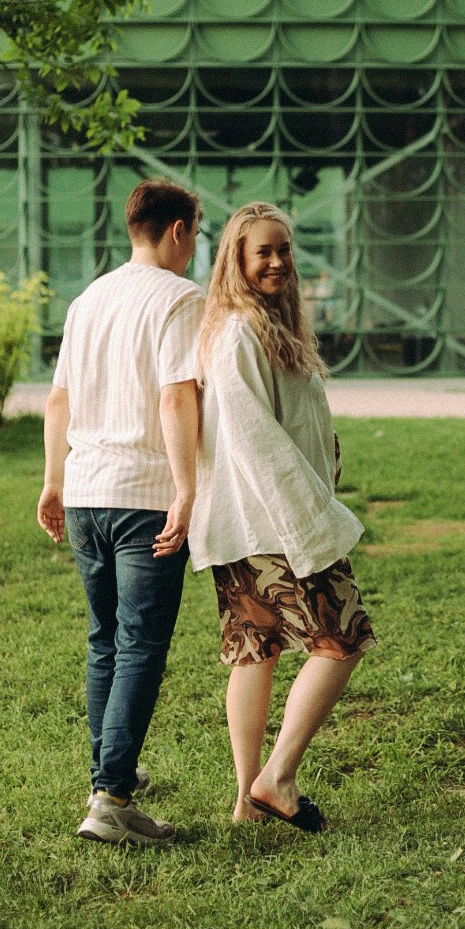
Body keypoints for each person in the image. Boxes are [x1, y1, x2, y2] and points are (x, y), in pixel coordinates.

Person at [169, 202, 375, 833]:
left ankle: (244, 802)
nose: (278, 261)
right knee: (343, 638)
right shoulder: (237, 333)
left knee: (253, 651)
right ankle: (275, 779)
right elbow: (257, 442)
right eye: (264, 251)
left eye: (284, 248)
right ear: (237, 257)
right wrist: (311, 520)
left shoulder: (263, 325)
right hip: (274, 524)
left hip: (243, 524)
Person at [37, 178, 203, 847]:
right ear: (177, 231)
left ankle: (110, 779)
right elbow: (174, 397)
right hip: (144, 496)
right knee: (139, 644)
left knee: (104, 639)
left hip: (83, 492)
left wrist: (52, 483)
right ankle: (110, 797)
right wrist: (187, 489)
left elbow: (58, 401)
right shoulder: (179, 298)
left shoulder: (88, 298)